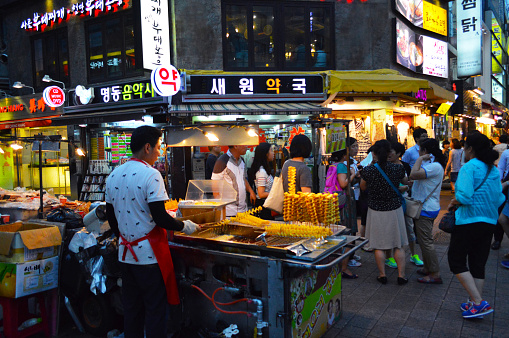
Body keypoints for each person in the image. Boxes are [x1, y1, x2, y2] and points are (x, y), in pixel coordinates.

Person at [105, 126, 201, 338]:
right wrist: (185, 226)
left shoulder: (113, 175)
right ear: (147, 147)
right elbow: (160, 217)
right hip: (148, 258)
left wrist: (126, 236)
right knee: (155, 310)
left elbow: (112, 219)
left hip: (125, 255)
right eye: (158, 147)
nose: (160, 151)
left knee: (132, 310)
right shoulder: (151, 175)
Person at [447, 131, 504, 318]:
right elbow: (499, 197)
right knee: (478, 264)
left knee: (456, 261)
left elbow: (464, 196)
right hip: (488, 222)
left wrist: (454, 201)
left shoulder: (469, 167)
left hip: (468, 221)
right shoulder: (493, 169)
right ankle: (474, 303)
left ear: (469, 148)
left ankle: (479, 303)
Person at [360, 140, 409, 285]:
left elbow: (362, 187)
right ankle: (401, 275)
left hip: (376, 210)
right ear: (389, 153)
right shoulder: (397, 169)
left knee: (379, 245)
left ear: (374, 154)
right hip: (395, 209)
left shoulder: (369, 170)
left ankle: (382, 275)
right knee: (398, 244)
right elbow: (405, 181)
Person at [410, 138, 446, 284]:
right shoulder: (432, 166)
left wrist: (419, 159)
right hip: (425, 207)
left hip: (426, 208)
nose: (418, 151)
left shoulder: (434, 166)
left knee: (426, 242)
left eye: (420, 149)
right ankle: (427, 267)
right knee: (424, 241)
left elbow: (413, 173)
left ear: (425, 151)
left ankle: (435, 273)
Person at [384, 141, 424, 269]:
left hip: (405, 200)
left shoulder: (405, 166)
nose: (389, 154)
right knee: (390, 230)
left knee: (409, 229)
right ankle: (389, 257)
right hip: (390, 202)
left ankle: (413, 254)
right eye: (388, 151)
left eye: (392, 152)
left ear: (399, 154)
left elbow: (410, 181)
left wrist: (406, 186)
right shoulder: (385, 166)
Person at [329, 148, 361, 278]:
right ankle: (344, 268)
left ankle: (338, 265)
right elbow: (343, 184)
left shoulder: (332, 165)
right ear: (344, 154)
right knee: (347, 232)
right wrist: (353, 174)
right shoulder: (341, 166)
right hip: (343, 202)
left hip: (335, 200)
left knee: (339, 232)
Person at [212, 145, 256, 217]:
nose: (247, 147)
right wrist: (220, 209)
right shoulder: (222, 161)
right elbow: (215, 186)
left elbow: (243, 178)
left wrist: (251, 191)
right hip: (229, 212)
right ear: (235, 146)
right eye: (244, 145)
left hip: (243, 211)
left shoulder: (242, 160)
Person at [247, 142, 275, 220]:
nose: (273, 153)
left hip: (266, 204)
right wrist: (276, 193)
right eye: (271, 150)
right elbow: (261, 194)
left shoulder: (264, 170)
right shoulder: (261, 172)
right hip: (263, 206)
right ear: (266, 154)